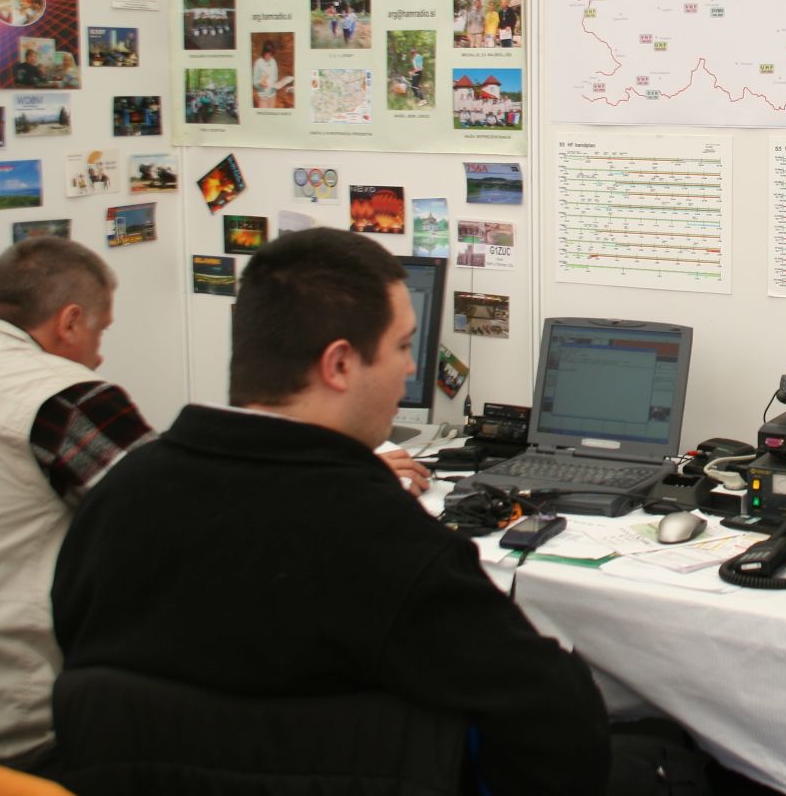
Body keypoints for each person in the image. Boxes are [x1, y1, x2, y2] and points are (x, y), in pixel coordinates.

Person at [51, 230, 608, 793]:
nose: (409, 370)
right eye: (401, 347)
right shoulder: (385, 540)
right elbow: (557, 720)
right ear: (340, 363)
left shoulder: (115, 500)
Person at [0, 239, 154, 769]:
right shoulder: (63, 395)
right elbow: (167, 515)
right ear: (70, 321)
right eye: (101, 332)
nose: (98, 355)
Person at [251, 39, 280, 108]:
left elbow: (275, 77)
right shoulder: (258, 63)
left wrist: (277, 85)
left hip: (273, 95)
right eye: (267, 54)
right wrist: (261, 84)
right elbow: (254, 82)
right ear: (264, 52)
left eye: (271, 55)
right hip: (263, 96)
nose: (269, 57)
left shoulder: (273, 62)